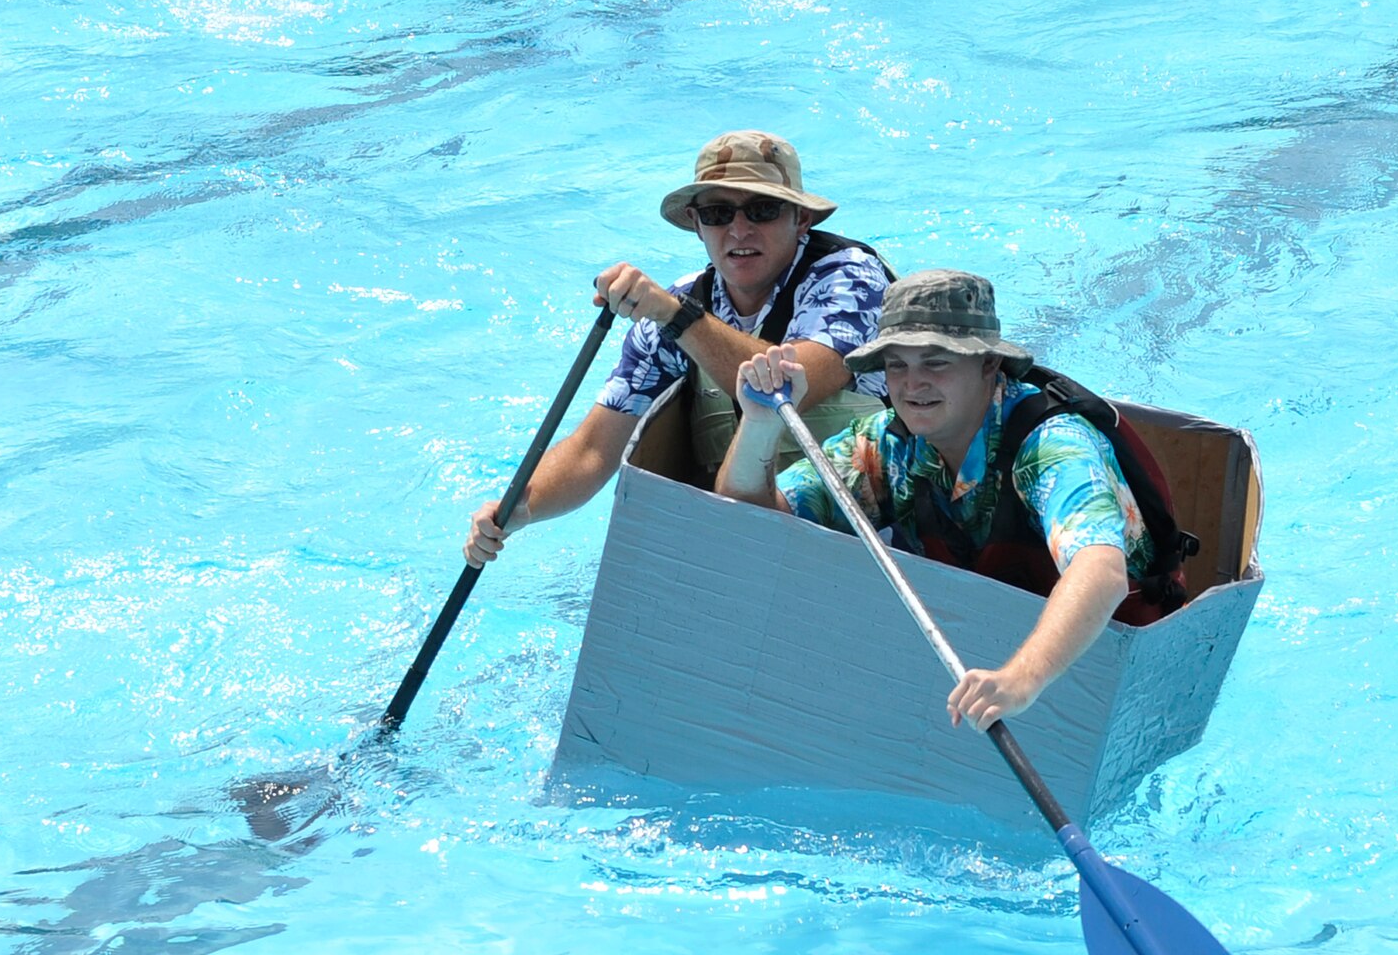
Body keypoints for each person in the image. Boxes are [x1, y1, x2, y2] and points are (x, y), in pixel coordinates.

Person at [715, 269, 1196, 733]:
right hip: (980, 659)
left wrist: (1019, 680)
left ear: (989, 364)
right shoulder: (889, 445)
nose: (912, 384)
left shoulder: (1051, 446)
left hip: (1101, 667)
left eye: (936, 362)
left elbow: (1101, 572)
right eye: (897, 365)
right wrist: (760, 423)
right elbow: (753, 522)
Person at [464, 130, 892, 567]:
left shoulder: (849, 276)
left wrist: (676, 317)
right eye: (717, 213)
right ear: (696, 222)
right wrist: (522, 506)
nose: (739, 230)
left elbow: (793, 385)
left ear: (801, 219)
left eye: (763, 210)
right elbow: (595, 448)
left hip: (863, 534)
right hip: (744, 538)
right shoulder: (678, 305)